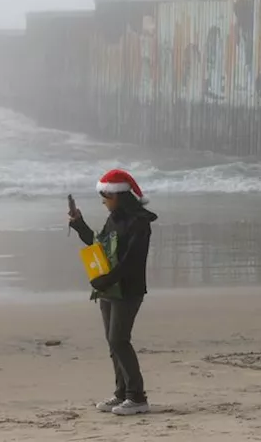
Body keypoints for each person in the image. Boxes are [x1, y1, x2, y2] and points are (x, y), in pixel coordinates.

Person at [69, 168, 159, 416]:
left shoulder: (139, 222)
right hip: (110, 288)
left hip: (128, 289)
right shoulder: (114, 219)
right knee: (113, 342)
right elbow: (100, 246)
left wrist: (106, 279)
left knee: (120, 340)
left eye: (106, 196)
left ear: (118, 196)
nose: (103, 201)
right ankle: (121, 394)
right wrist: (79, 225)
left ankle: (137, 397)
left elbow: (132, 261)